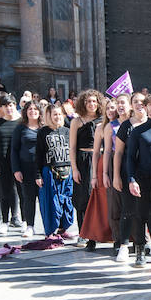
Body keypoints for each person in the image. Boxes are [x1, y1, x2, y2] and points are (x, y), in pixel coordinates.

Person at [126, 94, 151, 267]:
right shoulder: (138, 131)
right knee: (141, 215)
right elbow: (130, 158)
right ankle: (140, 251)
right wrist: (131, 179)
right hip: (144, 179)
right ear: (146, 108)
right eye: (150, 105)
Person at [79, 96, 115, 251]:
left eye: (113, 107)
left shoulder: (124, 124)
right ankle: (92, 237)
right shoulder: (101, 127)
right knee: (98, 202)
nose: (111, 110)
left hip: (119, 165)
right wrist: (94, 175)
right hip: (102, 166)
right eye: (108, 108)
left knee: (117, 203)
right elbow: (95, 152)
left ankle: (119, 237)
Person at [36, 103, 74, 238]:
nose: (57, 117)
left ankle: (63, 229)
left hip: (67, 171)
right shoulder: (43, 132)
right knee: (51, 202)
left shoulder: (67, 131)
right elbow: (38, 155)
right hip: (50, 172)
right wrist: (38, 175)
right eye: (54, 114)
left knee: (66, 201)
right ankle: (50, 231)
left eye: (59, 114)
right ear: (49, 116)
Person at [69, 90, 102, 245]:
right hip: (82, 161)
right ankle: (83, 232)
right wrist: (74, 169)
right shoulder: (76, 121)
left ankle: (99, 232)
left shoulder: (103, 120)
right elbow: (72, 147)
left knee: (99, 197)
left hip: (100, 160)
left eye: (94, 101)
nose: (92, 104)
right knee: (82, 198)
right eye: (88, 101)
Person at [0, 94, 23, 234]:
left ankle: (21, 219)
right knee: (5, 192)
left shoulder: (21, 122)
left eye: (11, 105)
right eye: (5, 106)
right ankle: (4, 221)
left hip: (19, 162)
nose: (8, 108)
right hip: (1, 162)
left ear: (15, 105)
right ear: (1, 107)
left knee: (21, 192)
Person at [11, 100, 42, 238]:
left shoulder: (44, 128)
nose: (32, 111)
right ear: (25, 111)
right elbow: (14, 150)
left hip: (42, 168)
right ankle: (30, 225)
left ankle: (49, 226)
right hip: (25, 168)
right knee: (28, 198)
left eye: (35, 109)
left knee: (45, 199)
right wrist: (16, 169)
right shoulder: (20, 128)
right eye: (30, 109)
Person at [104, 94, 130, 257]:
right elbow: (107, 150)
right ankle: (118, 239)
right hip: (115, 163)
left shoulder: (135, 123)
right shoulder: (110, 126)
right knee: (116, 204)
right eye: (118, 103)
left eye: (123, 103)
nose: (120, 106)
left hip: (133, 162)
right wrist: (105, 173)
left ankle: (139, 238)